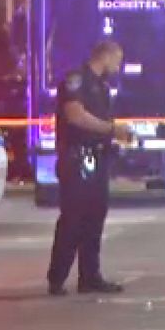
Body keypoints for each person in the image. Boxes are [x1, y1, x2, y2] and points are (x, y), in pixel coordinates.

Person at [46, 39, 133, 296]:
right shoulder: (76, 80)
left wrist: (113, 139)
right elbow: (75, 114)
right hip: (76, 160)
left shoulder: (102, 86)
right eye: (117, 60)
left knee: (95, 219)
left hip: (97, 160)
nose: (118, 67)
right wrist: (111, 130)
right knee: (73, 219)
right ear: (105, 56)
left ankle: (90, 277)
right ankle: (57, 278)